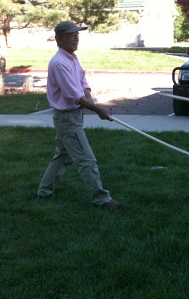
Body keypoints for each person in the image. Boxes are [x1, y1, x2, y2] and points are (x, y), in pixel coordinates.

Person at [37, 21, 126, 210]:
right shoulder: (59, 63)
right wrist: (98, 110)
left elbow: (82, 81)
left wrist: (89, 95)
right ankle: (102, 199)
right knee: (87, 160)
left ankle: (44, 191)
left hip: (72, 116)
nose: (76, 38)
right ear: (59, 39)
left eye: (77, 35)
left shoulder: (72, 58)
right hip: (67, 118)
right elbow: (72, 95)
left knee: (62, 156)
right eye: (71, 35)